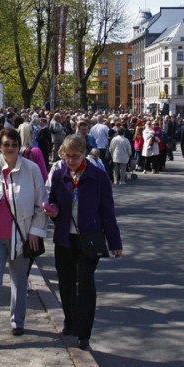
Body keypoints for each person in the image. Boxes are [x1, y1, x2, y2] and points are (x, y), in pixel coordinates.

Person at [0, 128, 49, 343]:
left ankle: (18, 321)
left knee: (19, 281)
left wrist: (35, 231)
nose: (11, 149)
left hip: (21, 236)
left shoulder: (31, 170)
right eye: (6, 145)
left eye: (14, 145)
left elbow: (41, 204)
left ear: (19, 146)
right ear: (0, 147)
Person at [46, 135, 122, 351]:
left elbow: (108, 211)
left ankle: (84, 332)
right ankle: (69, 321)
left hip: (89, 237)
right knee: (66, 282)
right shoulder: (60, 173)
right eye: (67, 156)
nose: (70, 161)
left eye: (75, 156)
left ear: (84, 154)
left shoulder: (98, 176)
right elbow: (52, 199)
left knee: (85, 283)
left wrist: (115, 242)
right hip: (64, 237)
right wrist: (53, 210)